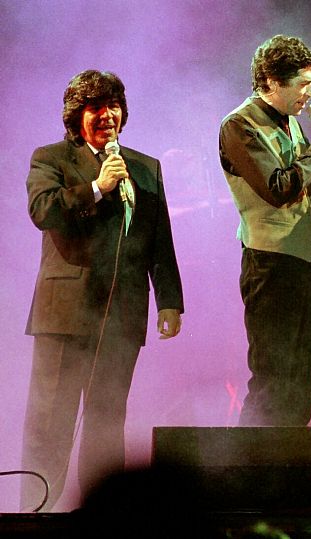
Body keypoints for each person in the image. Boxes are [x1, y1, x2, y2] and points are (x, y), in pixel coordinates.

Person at [22, 70, 184, 511]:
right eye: (96, 107)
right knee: (51, 423)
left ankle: (99, 516)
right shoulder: (51, 158)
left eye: (113, 105)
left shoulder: (146, 167)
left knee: (107, 423)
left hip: (121, 316)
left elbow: (159, 238)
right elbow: (44, 211)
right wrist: (97, 187)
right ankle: (36, 514)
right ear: (77, 117)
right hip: (65, 316)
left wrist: (168, 299)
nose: (107, 115)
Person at [218, 35, 311, 427]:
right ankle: (253, 480)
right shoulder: (238, 126)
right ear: (271, 81)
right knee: (273, 379)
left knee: (302, 377)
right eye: (303, 83)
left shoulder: (290, 124)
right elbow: (279, 189)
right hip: (269, 265)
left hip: (305, 263)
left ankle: (288, 479)